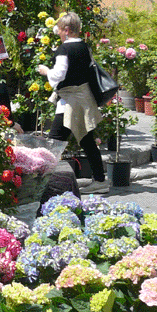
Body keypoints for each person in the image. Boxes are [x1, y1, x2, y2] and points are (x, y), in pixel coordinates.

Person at [37, 12, 107, 193]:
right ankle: (99, 180)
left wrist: (46, 71)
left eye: (59, 29)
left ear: (66, 30)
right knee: (87, 140)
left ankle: (42, 182)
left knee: (54, 141)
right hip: (83, 99)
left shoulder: (64, 50)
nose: (58, 32)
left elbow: (59, 74)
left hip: (69, 101)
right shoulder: (85, 47)